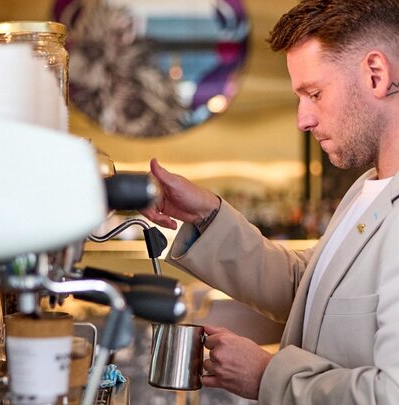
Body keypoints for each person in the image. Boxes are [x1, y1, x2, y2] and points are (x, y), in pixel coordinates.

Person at [141, 0, 399, 403]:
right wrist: (207, 215)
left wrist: (267, 377)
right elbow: (309, 286)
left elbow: (390, 394)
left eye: (314, 93)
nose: (303, 119)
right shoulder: (370, 187)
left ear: (376, 74)